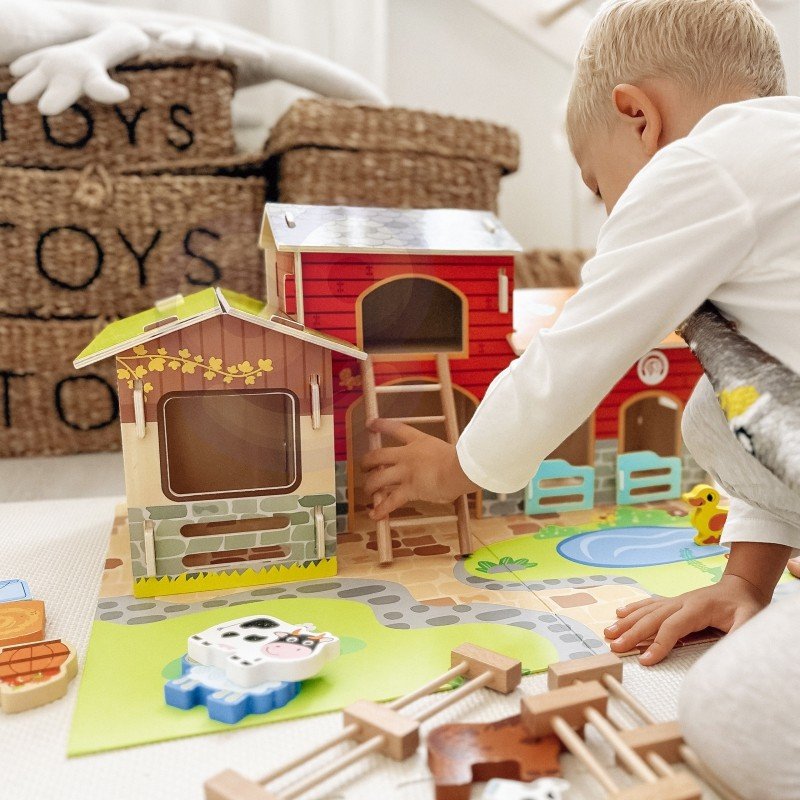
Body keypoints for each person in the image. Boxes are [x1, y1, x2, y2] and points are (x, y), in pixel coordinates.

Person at [363, 0, 800, 667]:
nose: (610, 215)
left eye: (600, 189)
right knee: (725, 393)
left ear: (639, 117)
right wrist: (746, 582)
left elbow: (575, 353)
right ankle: (750, 576)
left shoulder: (697, 167)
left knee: (727, 704)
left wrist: (459, 466)